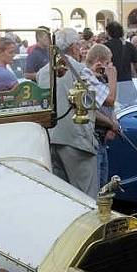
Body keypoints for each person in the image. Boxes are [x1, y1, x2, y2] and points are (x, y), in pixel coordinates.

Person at [46, 29, 109, 197]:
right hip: (77, 140)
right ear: (74, 47)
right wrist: (112, 74)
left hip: (52, 139)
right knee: (87, 196)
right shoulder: (80, 70)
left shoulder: (43, 71)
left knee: (64, 196)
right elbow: (106, 100)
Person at [84, 44, 119, 185]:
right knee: (96, 186)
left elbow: (112, 106)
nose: (111, 66)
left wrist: (113, 121)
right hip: (94, 138)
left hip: (103, 139)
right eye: (108, 63)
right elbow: (109, 100)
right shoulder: (86, 76)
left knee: (104, 184)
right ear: (99, 61)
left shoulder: (97, 77)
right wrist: (112, 78)